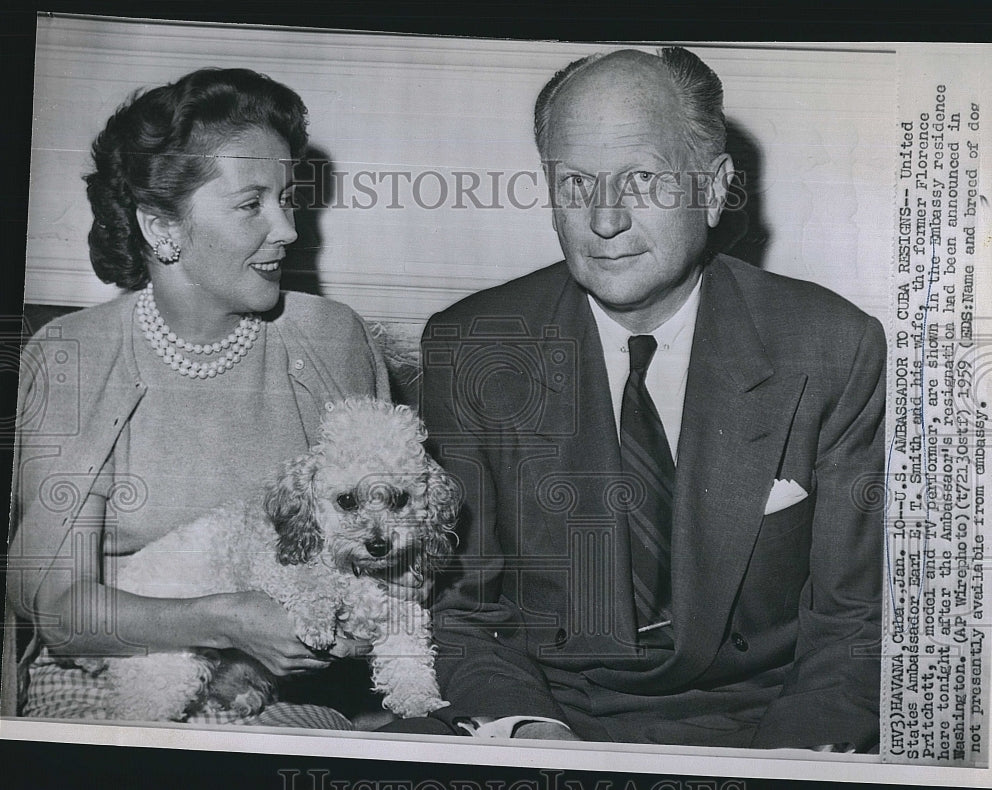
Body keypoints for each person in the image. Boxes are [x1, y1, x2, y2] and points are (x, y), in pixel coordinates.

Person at [421, 47, 885, 749]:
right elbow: (458, 613)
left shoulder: (832, 346)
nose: (604, 220)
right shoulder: (471, 347)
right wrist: (531, 734)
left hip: (765, 721)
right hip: (547, 715)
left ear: (714, 187)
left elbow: (853, 623)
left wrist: (791, 757)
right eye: (576, 184)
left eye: (641, 178)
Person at [4, 68, 406, 727]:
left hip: (287, 690)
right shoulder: (73, 355)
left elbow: (389, 571)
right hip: (99, 684)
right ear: (163, 229)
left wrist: (340, 627)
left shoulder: (334, 341)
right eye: (252, 204)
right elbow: (62, 610)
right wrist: (222, 620)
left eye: (288, 198)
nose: (288, 230)